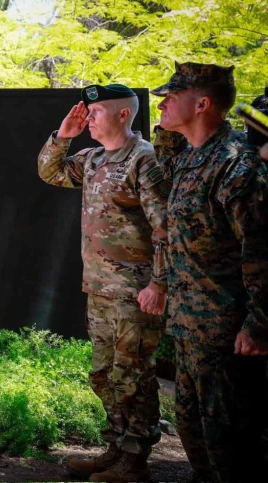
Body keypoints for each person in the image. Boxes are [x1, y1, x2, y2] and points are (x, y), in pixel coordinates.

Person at [37, 84, 169, 482]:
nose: (89, 118)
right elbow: (50, 172)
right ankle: (115, 447)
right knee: (103, 375)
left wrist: (159, 285)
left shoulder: (144, 160)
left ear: (124, 115)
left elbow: (165, 229)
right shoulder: (92, 158)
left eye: (96, 113)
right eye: (87, 113)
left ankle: (135, 457)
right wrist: (63, 135)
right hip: (99, 288)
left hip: (136, 291)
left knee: (133, 375)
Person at [147, 62, 268, 483]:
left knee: (231, 444)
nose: (162, 102)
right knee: (193, 432)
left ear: (202, 104)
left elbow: (260, 250)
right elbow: (163, 161)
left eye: (171, 96)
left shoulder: (237, 164)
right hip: (189, 326)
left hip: (227, 331)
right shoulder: (189, 158)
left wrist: (258, 324)